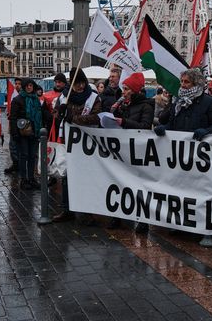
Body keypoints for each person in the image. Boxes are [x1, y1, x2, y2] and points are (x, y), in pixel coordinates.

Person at [154, 68, 212, 247]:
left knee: (201, 193)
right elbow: (172, 122)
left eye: (186, 82)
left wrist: (205, 131)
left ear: (196, 83)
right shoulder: (178, 101)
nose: (182, 85)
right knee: (180, 190)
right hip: (179, 156)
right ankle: (179, 224)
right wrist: (165, 128)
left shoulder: (209, 102)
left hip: (200, 158)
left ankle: (205, 231)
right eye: (182, 81)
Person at [52, 68, 102, 223]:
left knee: (85, 177)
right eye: (77, 83)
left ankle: (87, 212)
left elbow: (97, 117)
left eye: (82, 83)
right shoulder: (64, 97)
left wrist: (73, 118)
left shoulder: (94, 98)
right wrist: (59, 113)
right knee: (67, 175)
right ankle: (67, 209)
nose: (80, 87)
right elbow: (55, 113)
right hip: (68, 141)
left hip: (87, 143)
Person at [110, 72, 154, 232]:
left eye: (127, 89)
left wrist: (125, 122)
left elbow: (145, 126)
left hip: (139, 151)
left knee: (139, 187)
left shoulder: (146, 105)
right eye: (123, 88)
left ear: (134, 90)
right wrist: (114, 112)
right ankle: (118, 216)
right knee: (120, 183)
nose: (123, 91)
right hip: (124, 150)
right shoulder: (123, 104)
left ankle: (143, 221)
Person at [10, 79, 45, 190]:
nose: (29, 87)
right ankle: (24, 180)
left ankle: (32, 178)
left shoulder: (36, 99)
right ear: (24, 87)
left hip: (34, 131)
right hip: (23, 132)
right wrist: (15, 134)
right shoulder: (17, 100)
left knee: (32, 156)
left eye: (31, 86)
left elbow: (40, 114)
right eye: (27, 86)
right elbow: (13, 118)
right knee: (23, 155)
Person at [5, 77, 23, 174]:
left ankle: (20, 164)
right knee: (12, 145)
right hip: (12, 123)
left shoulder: (24, 96)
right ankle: (15, 163)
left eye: (19, 84)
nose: (17, 85)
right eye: (16, 83)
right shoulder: (12, 94)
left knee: (19, 145)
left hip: (21, 124)